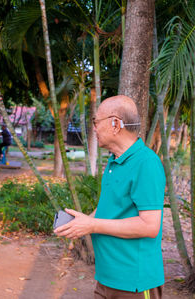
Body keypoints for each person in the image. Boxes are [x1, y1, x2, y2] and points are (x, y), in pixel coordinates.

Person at [54, 95, 166, 299]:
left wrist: (92, 226)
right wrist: (82, 223)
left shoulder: (146, 163)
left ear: (115, 124)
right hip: (106, 278)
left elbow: (150, 226)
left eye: (96, 122)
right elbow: (109, 208)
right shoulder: (116, 161)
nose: (94, 128)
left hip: (134, 283)